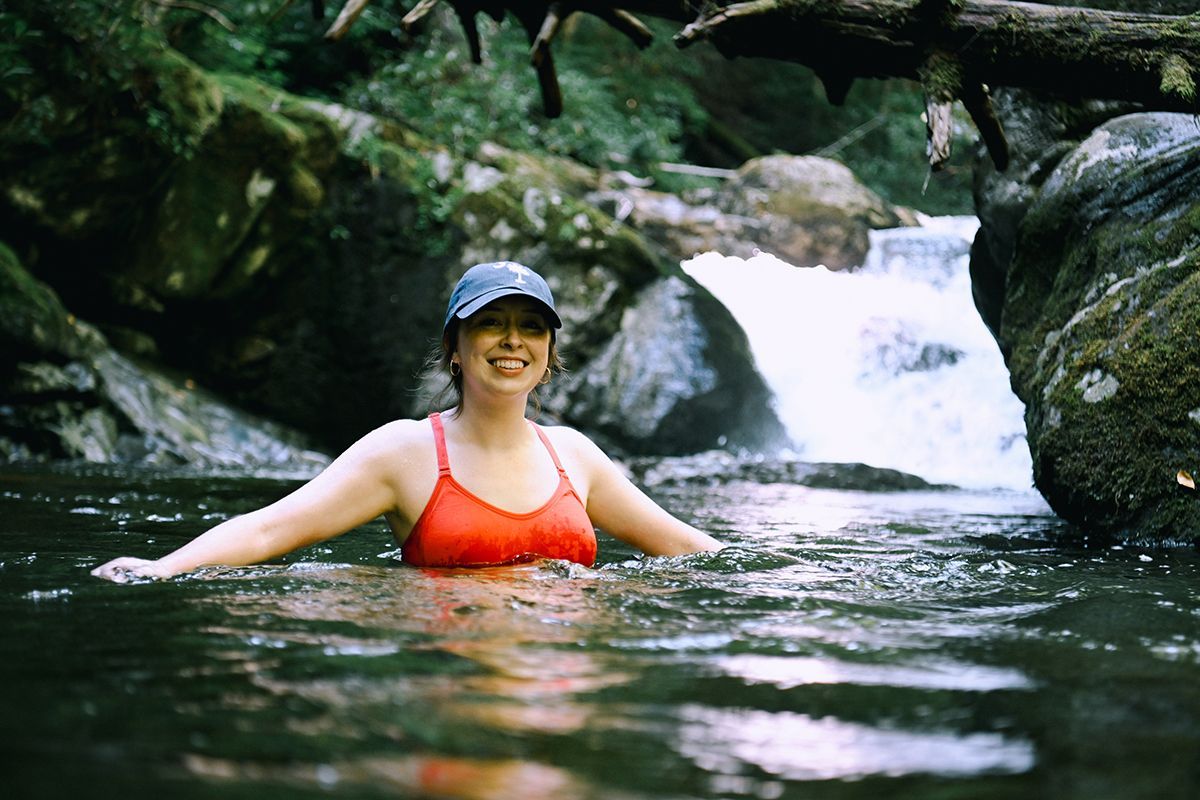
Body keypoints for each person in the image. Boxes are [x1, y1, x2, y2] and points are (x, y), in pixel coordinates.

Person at [92, 261, 722, 582]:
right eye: (490, 324)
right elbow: (269, 531)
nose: (512, 341)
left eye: (531, 327)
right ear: (456, 346)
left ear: (550, 355)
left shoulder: (575, 456)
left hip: (563, 689)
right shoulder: (404, 452)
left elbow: (694, 551)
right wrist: (163, 567)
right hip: (450, 680)